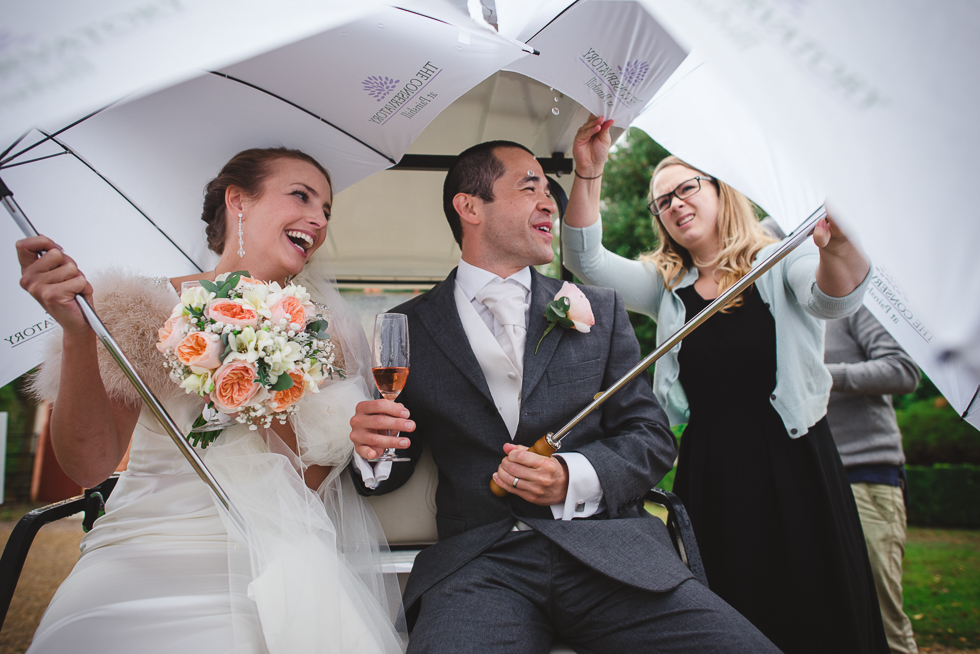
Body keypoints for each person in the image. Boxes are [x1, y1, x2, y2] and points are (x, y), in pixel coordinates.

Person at [348, 138, 781, 654]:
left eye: (549, 189)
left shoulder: (599, 309)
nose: (550, 201)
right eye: (529, 185)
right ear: (469, 207)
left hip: (612, 558)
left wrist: (573, 476)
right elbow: (388, 467)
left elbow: (651, 437)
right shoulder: (406, 326)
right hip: (478, 568)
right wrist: (371, 450)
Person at [16, 148, 405, 654]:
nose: (318, 219)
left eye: (327, 210)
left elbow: (311, 486)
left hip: (275, 551)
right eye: (301, 196)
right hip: (147, 543)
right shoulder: (137, 309)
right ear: (238, 201)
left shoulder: (333, 333)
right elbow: (89, 465)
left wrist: (269, 391)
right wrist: (76, 335)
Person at [560, 116, 889, 654]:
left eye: (686, 188)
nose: (675, 205)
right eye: (662, 201)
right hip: (712, 467)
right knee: (731, 608)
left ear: (720, 191)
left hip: (794, 459)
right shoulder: (667, 287)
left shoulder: (780, 257)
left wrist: (838, 249)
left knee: (814, 603)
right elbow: (584, 259)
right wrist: (589, 174)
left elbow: (831, 298)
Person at [825, 306, 922, 654]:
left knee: (880, 616)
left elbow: (903, 370)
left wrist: (820, 375)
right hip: (809, 477)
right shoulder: (773, 307)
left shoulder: (851, 305)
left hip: (864, 474)